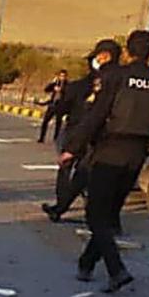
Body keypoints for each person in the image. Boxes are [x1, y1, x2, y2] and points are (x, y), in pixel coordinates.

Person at [61, 30, 149, 293]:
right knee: (109, 213)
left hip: (109, 151)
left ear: (127, 51)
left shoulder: (117, 77)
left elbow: (96, 116)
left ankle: (116, 269)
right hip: (136, 155)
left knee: (94, 214)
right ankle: (87, 263)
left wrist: (72, 148)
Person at [43, 40, 121, 223]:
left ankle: (61, 204)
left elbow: (62, 108)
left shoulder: (81, 85)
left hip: (77, 132)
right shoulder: (120, 81)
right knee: (87, 173)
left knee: (67, 169)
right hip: (103, 135)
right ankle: (87, 209)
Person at [38, 69, 70, 143]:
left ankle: (56, 138)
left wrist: (61, 90)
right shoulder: (55, 83)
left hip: (61, 105)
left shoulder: (68, 84)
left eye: (64, 76)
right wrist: (52, 84)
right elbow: (46, 90)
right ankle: (42, 137)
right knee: (45, 121)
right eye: (61, 76)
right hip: (52, 104)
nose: (62, 77)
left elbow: (69, 93)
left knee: (58, 123)